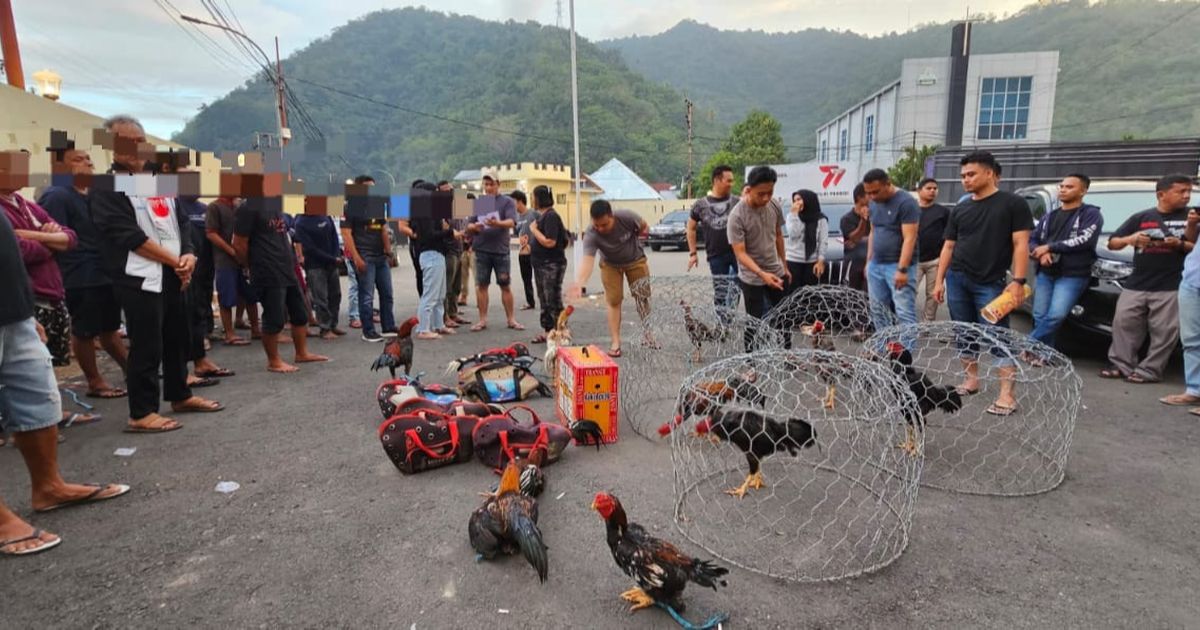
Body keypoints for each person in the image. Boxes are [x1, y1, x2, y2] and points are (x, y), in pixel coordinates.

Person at [0, 208, 130, 556]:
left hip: (13, 309)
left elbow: (48, 242)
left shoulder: (20, 205)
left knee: (38, 399)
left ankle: (48, 487)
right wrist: (44, 240)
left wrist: (23, 307)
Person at [91, 115, 222, 432]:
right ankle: (142, 412)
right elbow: (127, 236)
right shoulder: (107, 186)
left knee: (178, 337)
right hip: (139, 276)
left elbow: (183, 223)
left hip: (175, 273)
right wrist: (173, 260)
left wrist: (188, 254)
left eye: (140, 140)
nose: (135, 147)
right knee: (147, 344)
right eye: (126, 140)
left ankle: (180, 393)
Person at [932, 151, 1033, 417]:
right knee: (963, 332)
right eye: (963, 175)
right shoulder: (961, 208)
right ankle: (971, 380)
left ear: (989, 173)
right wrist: (939, 280)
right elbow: (949, 246)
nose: (966, 180)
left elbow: (1021, 244)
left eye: (971, 174)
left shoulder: (1012, 204)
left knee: (997, 336)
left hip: (990, 282)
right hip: (957, 279)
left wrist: (1019, 282)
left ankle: (1006, 396)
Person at [38, 147, 128, 398]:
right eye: (78, 160)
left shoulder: (93, 194)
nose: (87, 163)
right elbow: (54, 238)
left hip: (105, 270)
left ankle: (132, 370)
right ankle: (95, 381)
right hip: (79, 274)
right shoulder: (57, 196)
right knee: (85, 330)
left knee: (110, 328)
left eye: (88, 159)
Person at [1100, 173, 1193, 383]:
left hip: (1172, 284)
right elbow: (1113, 243)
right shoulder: (1141, 217)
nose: (1187, 196)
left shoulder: (1193, 218)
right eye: (1181, 191)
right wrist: (1131, 239)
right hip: (1137, 282)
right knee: (1124, 323)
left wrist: (1177, 245)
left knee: (1165, 330)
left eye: (1189, 191)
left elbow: (1195, 248)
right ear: (1162, 194)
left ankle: (1150, 370)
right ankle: (1121, 365)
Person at [233, 182, 329, 372]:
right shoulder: (248, 207)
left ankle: (301, 353)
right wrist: (250, 266)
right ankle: (273, 361)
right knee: (274, 317)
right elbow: (239, 243)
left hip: (287, 267)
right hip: (266, 269)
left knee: (300, 313)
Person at [0, 151, 77, 368]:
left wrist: (35, 236)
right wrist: (52, 243)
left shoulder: (24, 204)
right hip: (29, 300)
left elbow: (70, 238)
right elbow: (16, 250)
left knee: (48, 368)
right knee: (28, 368)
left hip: (52, 295)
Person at [1027, 174, 1102, 352]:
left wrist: (1049, 247)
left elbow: (1085, 239)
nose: (1063, 189)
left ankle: (1027, 345)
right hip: (1046, 271)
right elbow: (1033, 239)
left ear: (1083, 191)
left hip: (1072, 274)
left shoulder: (1091, 214)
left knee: (1056, 315)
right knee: (1040, 315)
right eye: (1062, 186)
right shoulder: (1049, 216)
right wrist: (1041, 253)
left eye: (1069, 187)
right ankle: (1043, 354)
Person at [568, 200, 653, 357]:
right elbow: (587, 260)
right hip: (610, 265)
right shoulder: (592, 234)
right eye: (597, 225)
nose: (600, 229)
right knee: (613, 301)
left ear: (611, 216)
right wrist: (579, 283)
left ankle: (648, 334)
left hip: (635, 260)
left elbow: (643, 226)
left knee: (642, 298)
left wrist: (634, 240)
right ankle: (615, 342)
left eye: (604, 225)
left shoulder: (626, 217)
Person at [728, 166, 791, 351]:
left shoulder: (774, 205)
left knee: (784, 316)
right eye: (760, 194)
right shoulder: (737, 216)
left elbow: (778, 235)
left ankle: (788, 354)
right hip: (752, 277)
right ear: (749, 189)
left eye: (769, 192)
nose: (765, 198)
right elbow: (740, 253)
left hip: (776, 270)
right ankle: (751, 362)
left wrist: (784, 266)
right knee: (753, 321)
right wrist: (761, 274)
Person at [467, 170, 523, 331]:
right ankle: (482, 319)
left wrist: (497, 223)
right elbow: (469, 225)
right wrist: (475, 226)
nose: (488, 187)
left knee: (505, 285)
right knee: (481, 285)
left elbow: (512, 222)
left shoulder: (507, 202)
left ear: (498, 184)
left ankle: (511, 319)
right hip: (481, 249)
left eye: (491, 184)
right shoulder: (481, 202)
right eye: (486, 184)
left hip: (501, 250)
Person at [864, 169, 920, 330]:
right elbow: (873, 232)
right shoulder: (873, 203)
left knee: (904, 312)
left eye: (875, 192)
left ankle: (905, 353)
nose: (872, 196)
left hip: (898, 266)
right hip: (876, 264)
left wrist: (902, 269)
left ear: (888, 184)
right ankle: (885, 348)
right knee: (878, 310)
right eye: (869, 193)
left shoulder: (906, 202)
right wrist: (869, 262)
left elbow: (910, 238)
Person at [342, 175, 395, 342]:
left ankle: (388, 326)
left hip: (380, 257)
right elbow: (346, 234)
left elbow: (383, 230)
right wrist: (356, 258)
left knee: (387, 293)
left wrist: (389, 252)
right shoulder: (350, 208)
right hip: (364, 255)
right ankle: (368, 330)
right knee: (366, 296)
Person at [206, 194, 260, 344]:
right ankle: (229, 334)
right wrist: (231, 251)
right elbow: (211, 233)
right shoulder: (214, 207)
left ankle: (256, 329)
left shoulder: (239, 207)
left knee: (250, 294)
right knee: (226, 298)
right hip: (225, 261)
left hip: (243, 259)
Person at [1162, 206, 1200, 412]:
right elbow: (1191, 241)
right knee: (1191, 339)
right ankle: (1194, 390)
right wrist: (1192, 224)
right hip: (1193, 279)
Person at [687, 164, 740, 312]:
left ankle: (732, 317)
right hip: (716, 256)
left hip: (738, 253)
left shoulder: (738, 202)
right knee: (720, 292)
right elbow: (690, 228)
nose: (731, 184)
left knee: (740, 287)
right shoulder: (700, 205)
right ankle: (722, 324)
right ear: (717, 180)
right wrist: (693, 254)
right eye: (728, 181)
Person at [294, 195, 344, 339]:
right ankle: (325, 328)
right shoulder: (301, 222)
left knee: (335, 295)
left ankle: (333, 324)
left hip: (332, 263)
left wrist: (336, 255)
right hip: (315, 265)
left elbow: (334, 236)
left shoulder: (324, 216)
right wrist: (331, 258)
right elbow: (309, 248)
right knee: (320, 298)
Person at [410, 181, 454, 339]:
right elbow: (429, 235)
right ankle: (423, 328)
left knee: (440, 294)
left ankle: (438, 325)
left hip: (438, 253)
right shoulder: (424, 213)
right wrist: (449, 233)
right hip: (430, 254)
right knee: (430, 295)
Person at [528, 185, 567, 344]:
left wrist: (534, 230)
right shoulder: (542, 216)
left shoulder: (550, 216)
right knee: (544, 298)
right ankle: (548, 331)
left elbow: (550, 242)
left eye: (532, 196)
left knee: (552, 299)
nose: (531, 199)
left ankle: (560, 331)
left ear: (539, 198)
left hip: (551, 265)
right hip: (540, 264)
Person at [915, 178, 950, 322]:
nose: (932, 191)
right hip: (914, 260)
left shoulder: (943, 212)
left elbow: (949, 237)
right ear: (919, 191)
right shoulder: (911, 209)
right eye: (928, 188)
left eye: (935, 189)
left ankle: (927, 324)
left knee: (932, 294)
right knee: (908, 292)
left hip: (935, 260)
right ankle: (905, 322)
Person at [438, 180, 470, 328]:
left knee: (457, 285)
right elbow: (444, 230)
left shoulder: (460, 204)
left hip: (460, 249)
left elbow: (466, 224)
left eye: (450, 189)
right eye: (445, 191)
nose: (449, 193)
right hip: (448, 250)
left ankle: (453, 313)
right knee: (447, 286)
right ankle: (445, 316)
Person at [783, 189, 828, 293]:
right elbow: (794, 234)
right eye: (794, 200)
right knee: (792, 294)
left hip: (811, 262)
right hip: (793, 260)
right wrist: (795, 215)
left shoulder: (821, 219)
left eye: (799, 199)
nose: (796, 203)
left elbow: (823, 241)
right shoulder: (791, 217)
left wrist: (820, 261)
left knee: (809, 295)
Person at [840, 183, 871, 291]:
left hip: (871, 263)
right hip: (853, 264)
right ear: (859, 197)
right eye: (869, 194)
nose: (872, 197)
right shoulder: (847, 219)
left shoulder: (876, 215)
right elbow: (855, 238)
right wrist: (863, 220)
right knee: (853, 297)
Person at [513, 190, 538, 311]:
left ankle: (545, 301)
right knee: (526, 278)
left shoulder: (533, 213)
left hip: (536, 251)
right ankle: (530, 302)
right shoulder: (516, 217)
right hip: (523, 252)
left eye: (513, 202)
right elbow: (517, 232)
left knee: (540, 277)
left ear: (519, 202)